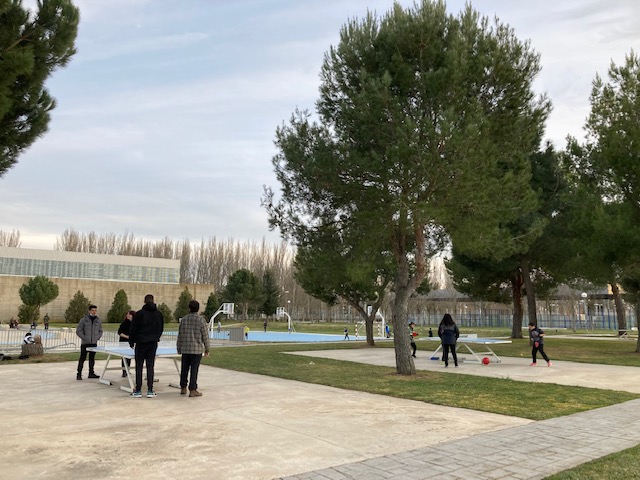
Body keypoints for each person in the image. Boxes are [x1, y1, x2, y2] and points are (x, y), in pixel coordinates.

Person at [129, 294, 164, 397]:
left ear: (144, 301)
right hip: (152, 343)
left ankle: (138, 390)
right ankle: (150, 389)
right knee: (150, 366)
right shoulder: (159, 314)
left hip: (141, 343)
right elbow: (161, 328)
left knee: (139, 367)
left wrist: (131, 341)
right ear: (153, 301)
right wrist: (156, 337)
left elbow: (133, 329)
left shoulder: (139, 314)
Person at [176, 300, 210, 397]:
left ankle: (183, 387)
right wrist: (207, 348)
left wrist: (179, 347)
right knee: (194, 370)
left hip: (186, 349)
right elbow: (205, 336)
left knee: (184, 369)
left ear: (189, 308)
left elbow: (180, 335)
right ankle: (193, 389)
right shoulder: (201, 320)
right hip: (197, 349)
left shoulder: (184, 320)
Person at [76, 305, 103, 380]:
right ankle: (79, 374)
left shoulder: (98, 320)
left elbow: (100, 330)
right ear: (89, 311)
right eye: (92, 310)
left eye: (95, 310)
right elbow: (78, 331)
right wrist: (84, 338)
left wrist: (97, 337)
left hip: (93, 343)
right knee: (82, 358)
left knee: (92, 359)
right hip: (85, 343)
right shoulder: (83, 320)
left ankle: (91, 373)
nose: (94, 312)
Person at [118, 310, 135, 377]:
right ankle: (124, 371)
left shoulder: (134, 323)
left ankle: (127, 370)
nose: (128, 315)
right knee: (124, 357)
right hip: (123, 342)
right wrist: (127, 337)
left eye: (129, 314)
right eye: (127, 314)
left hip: (131, 342)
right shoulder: (124, 323)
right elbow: (119, 332)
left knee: (129, 357)